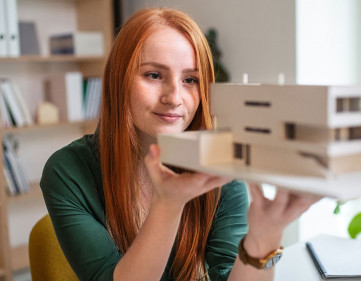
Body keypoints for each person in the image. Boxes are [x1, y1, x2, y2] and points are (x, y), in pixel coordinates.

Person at [40, 7, 319, 281]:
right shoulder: (68, 171)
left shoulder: (220, 167)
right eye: (153, 75)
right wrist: (168, 203)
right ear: (118, 81)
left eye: (190, 80)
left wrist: (264, 238)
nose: (174, 97)